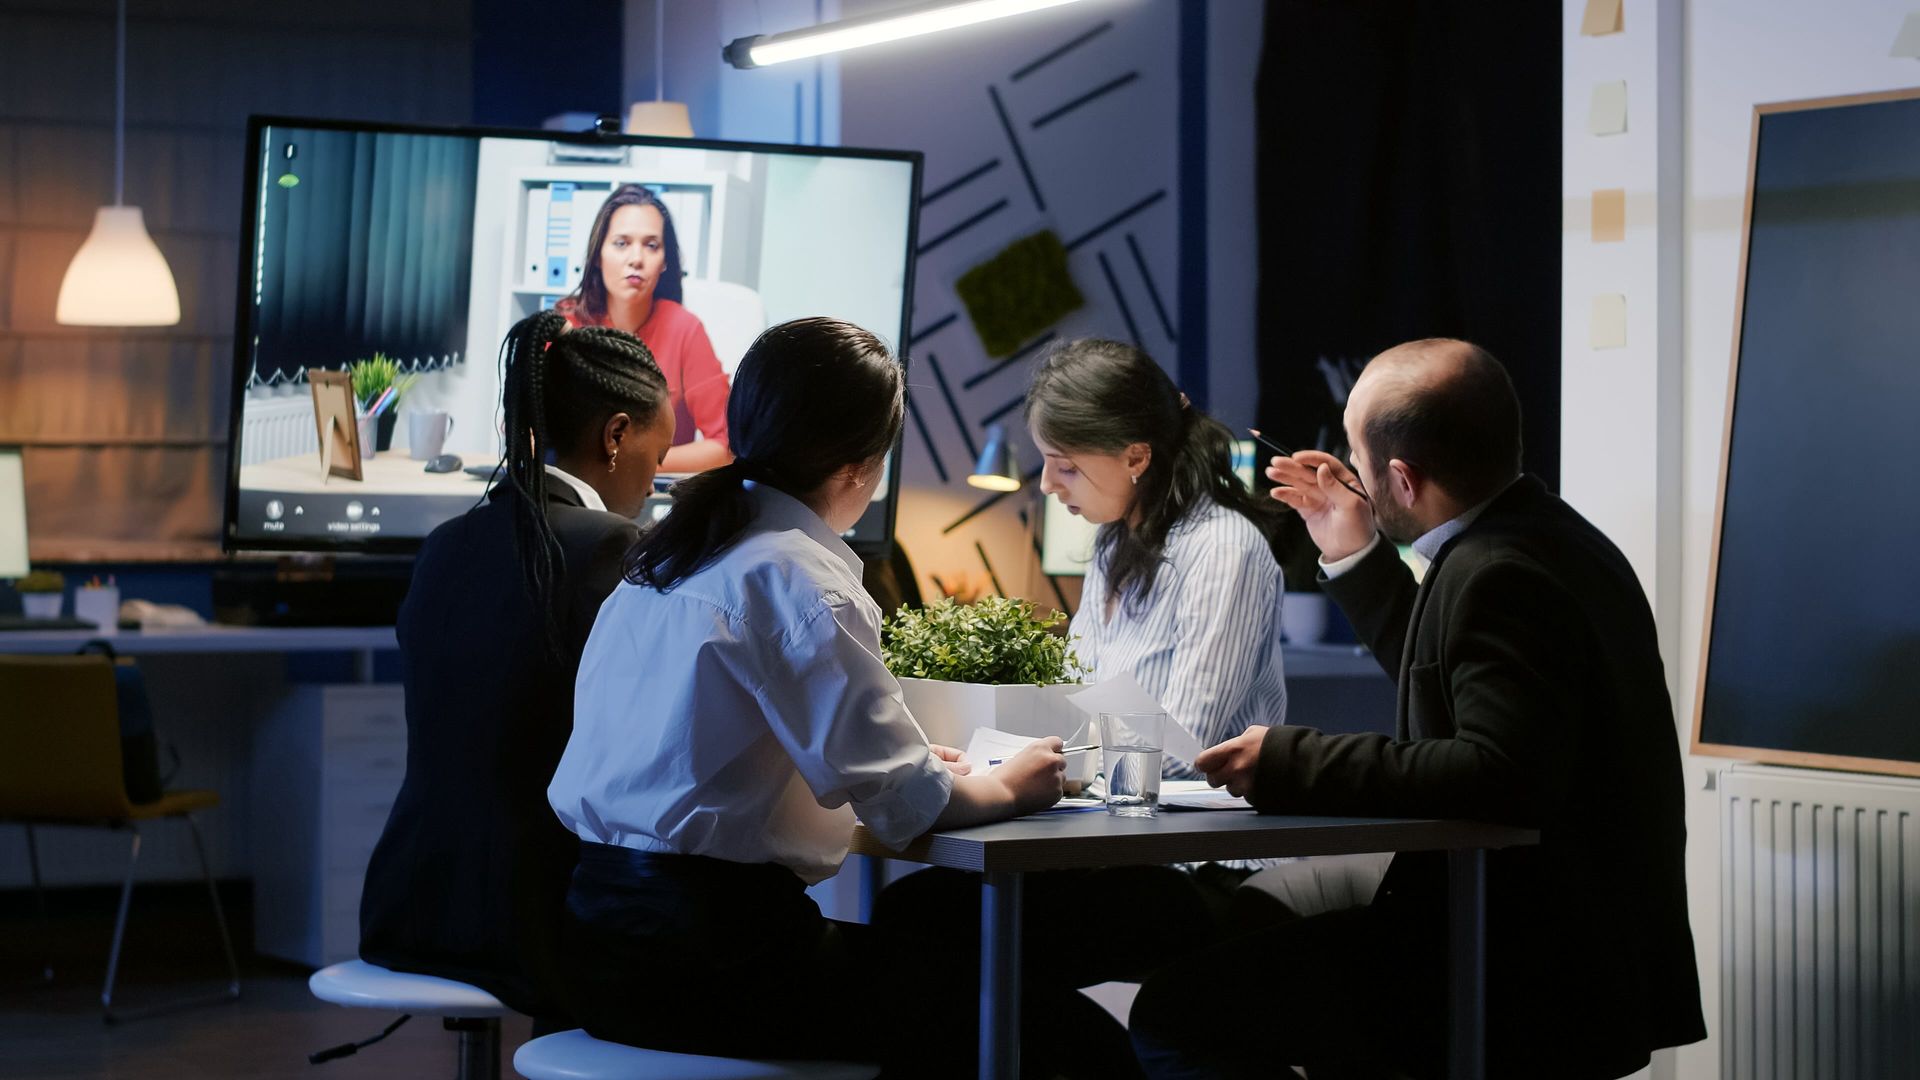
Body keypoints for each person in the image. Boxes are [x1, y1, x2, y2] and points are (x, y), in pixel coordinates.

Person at [547, 318, 1133, 1077]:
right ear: (862, 468)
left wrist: (918, 768)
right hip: (717, 963)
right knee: (1043, 1025)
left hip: (592, 951)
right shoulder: (799, 578)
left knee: (945, 971)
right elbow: (904, 804)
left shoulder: (666, 558)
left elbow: (724, 758)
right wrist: (1002, 788)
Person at [1129, 339, 1705, 1078]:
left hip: (1520, 962)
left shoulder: (1500, 572)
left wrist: (1287, 757)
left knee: (1175, 1013)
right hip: (1575, 942)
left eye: (1360, 461)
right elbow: (1459, 680)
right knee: (1250, 935)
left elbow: (1497, 769)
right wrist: (1354, 550)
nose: (1352, 474)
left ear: (1400, 477)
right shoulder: (1551, 537)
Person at [874, 338, 1292, 989]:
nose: (1047, 484)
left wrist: (1041, 767)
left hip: (1193, 865)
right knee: (914, 912)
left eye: (1063, 466)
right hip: (1107, 846)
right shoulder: (1110, 549)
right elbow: (1074, 706)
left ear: (1135, 457)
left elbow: (1185, 745)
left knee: (934, 926)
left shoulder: (1224, 549)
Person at [358, 312, 676, 1025]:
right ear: (617, 435)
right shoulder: (611, 546)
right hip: (535, 920)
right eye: (662, 454)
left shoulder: (447, 544)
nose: (660, 479)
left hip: (407, 904)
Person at [555, 183, 732, 473]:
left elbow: (725, 446)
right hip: (576, 496)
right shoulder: (567, 324)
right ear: (598, 255)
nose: (636, 259)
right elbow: (527, 428)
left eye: (651, 245)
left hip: (655, 501)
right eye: (621, 243)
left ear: (665, 262)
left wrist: (631, 464)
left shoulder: (685, 329)